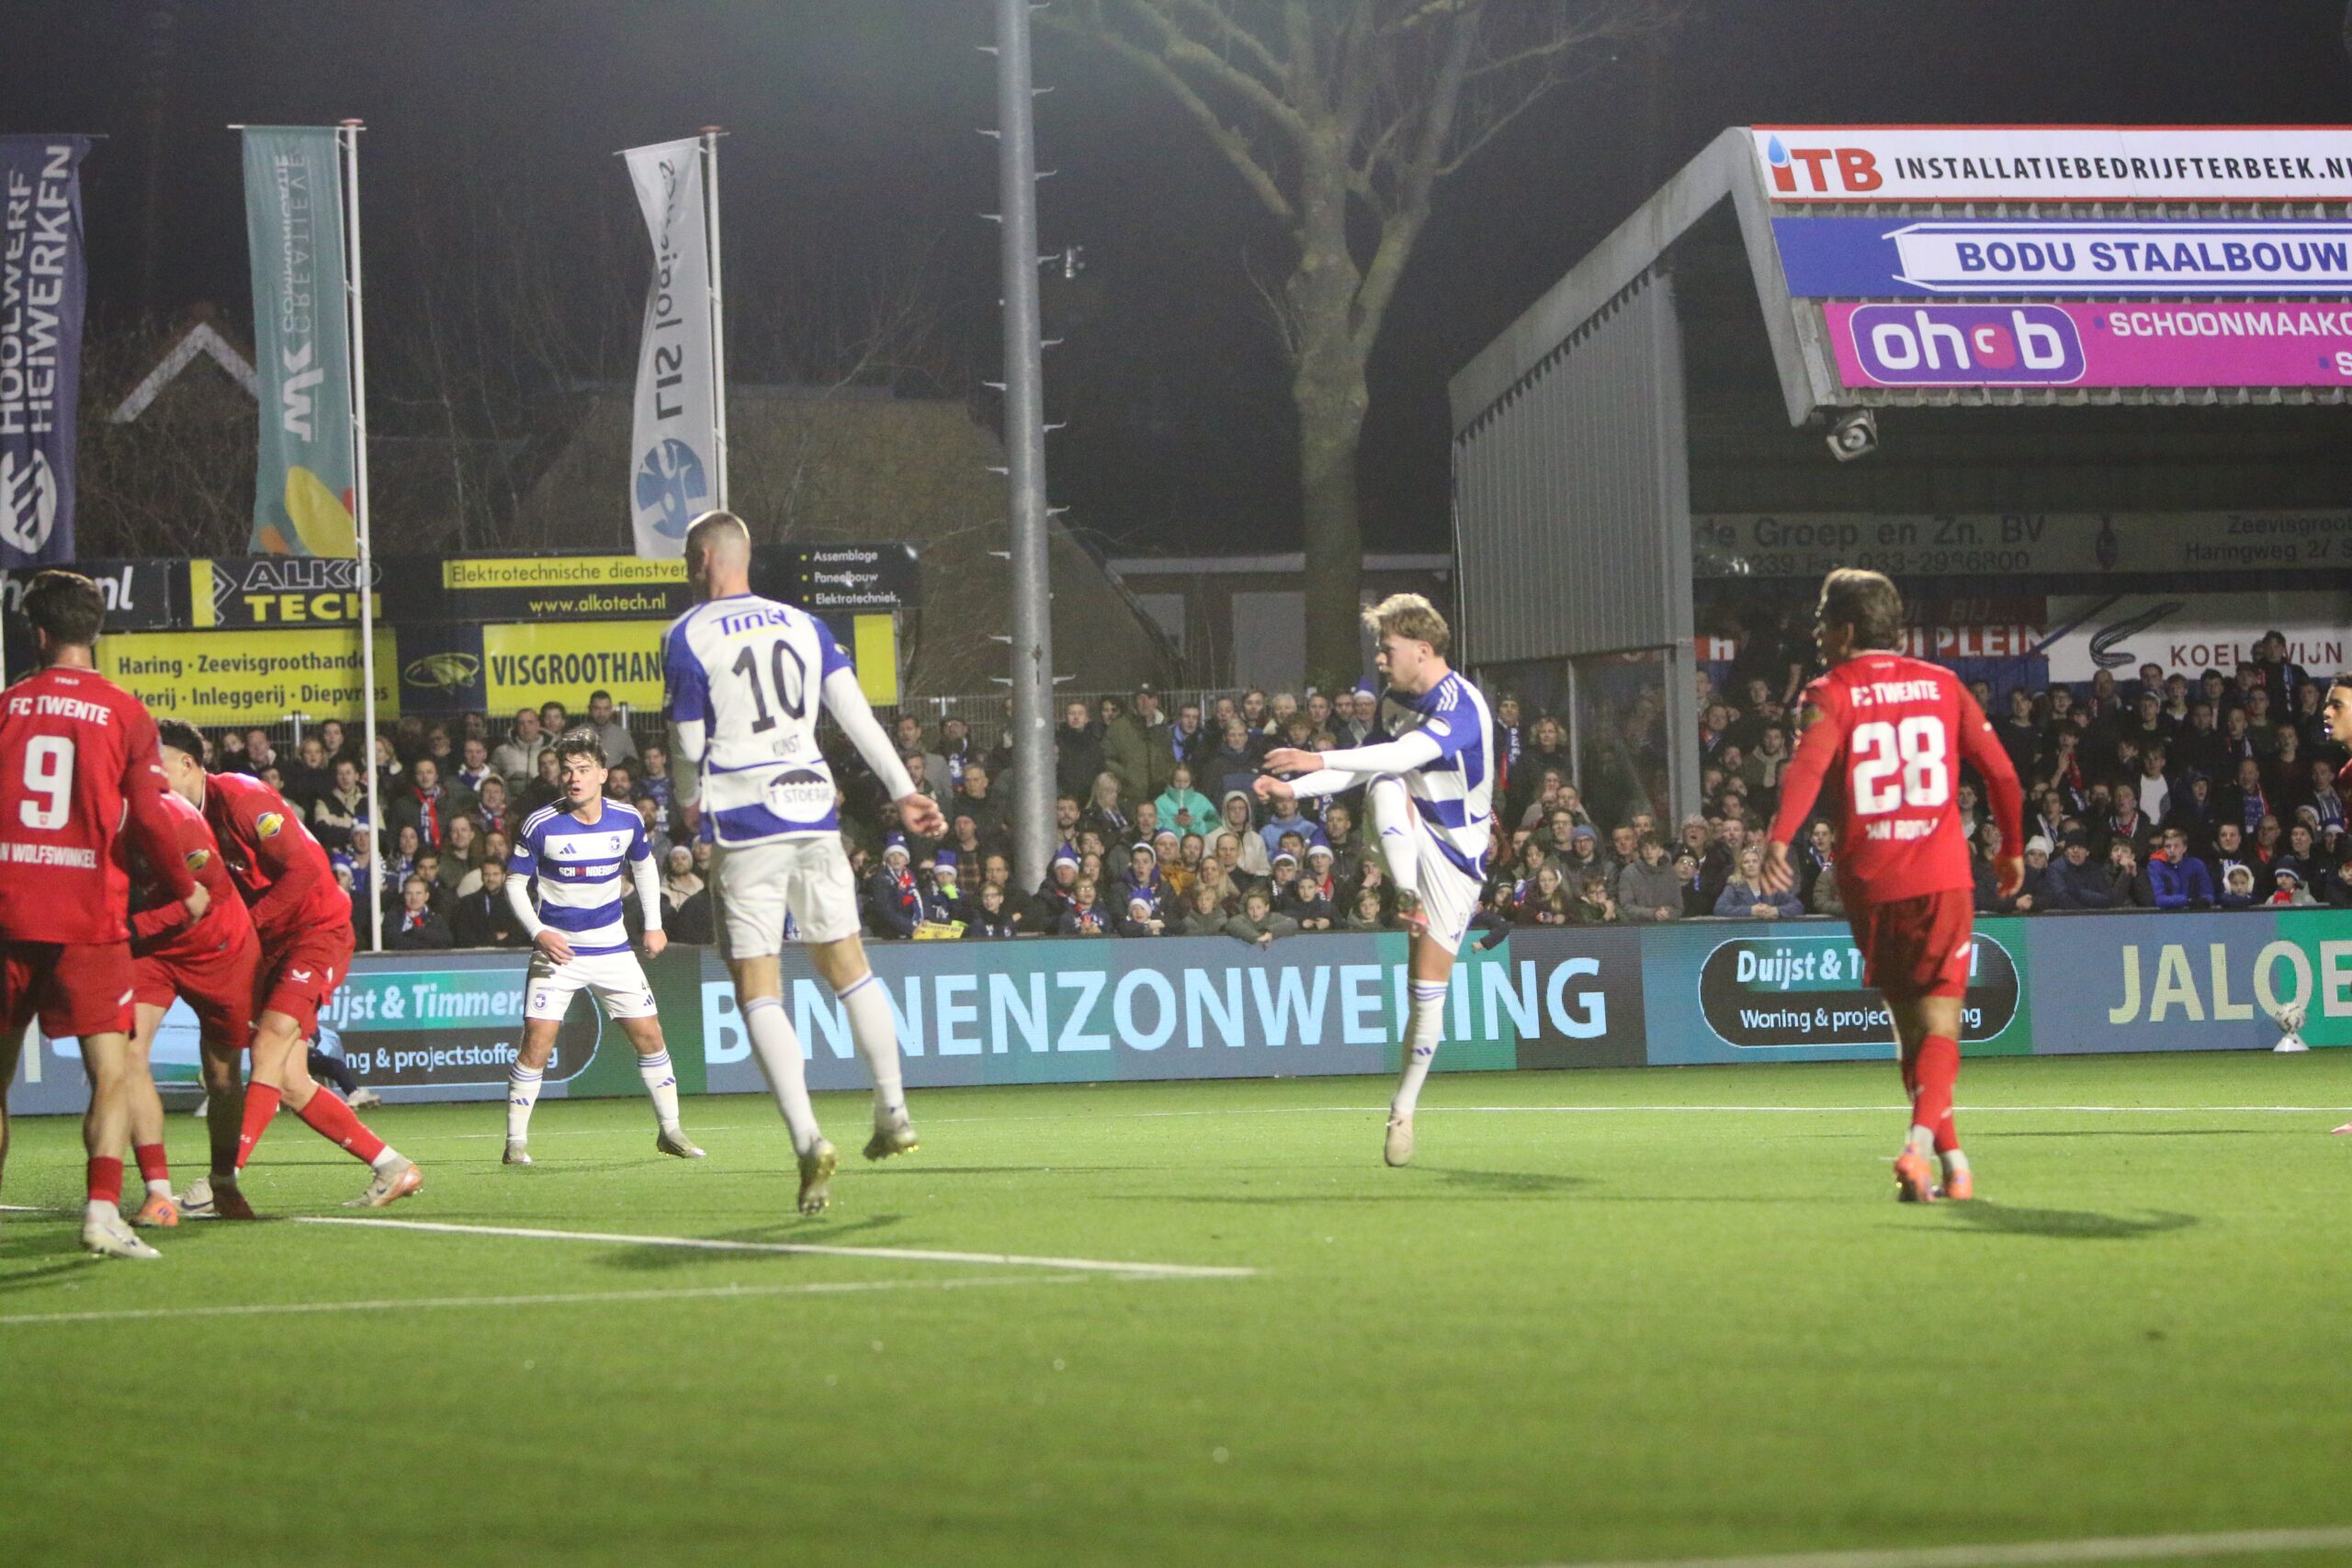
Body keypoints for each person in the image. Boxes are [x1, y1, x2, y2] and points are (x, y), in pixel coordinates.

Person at [665, 511, 944, 1214]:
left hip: (746, 820)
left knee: (757, 985)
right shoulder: (803, 623)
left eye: (688, 559)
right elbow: (855, 714)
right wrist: (903, 789)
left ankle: (808, 1139)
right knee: (849, 965)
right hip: (814, 810)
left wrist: (689, 801)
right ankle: (893, 1110)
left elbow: (687, 741)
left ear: (704, 560)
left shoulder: (687, 634)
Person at [1761, 569, 2023, 1207]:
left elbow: (1807, 768)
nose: (1817, 633)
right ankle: (1916, 1148)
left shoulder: (1830, 692)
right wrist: (2012, 849)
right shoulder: (1944, 685)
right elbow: (2003, 777)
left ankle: (1953, 1164)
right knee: (1941, 1027)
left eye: (1823, 621)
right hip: (1940, 877)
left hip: (1870, 883)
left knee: (1911, 1030)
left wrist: (1779, 837)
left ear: (1846, 629)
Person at [0, 572, 207, 1258]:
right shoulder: (124, 712)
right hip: (89, 916)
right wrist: (184, 888)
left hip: (9, 914)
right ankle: (100, 1211)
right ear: (95, 633)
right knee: (111, 1072)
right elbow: (148, 814)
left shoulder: (7, 706)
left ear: (38, 634)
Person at [1257, 593, 1493, 1168]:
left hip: (1458, 858)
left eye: (1388, 650)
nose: (1381, 661)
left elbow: (1407, 751)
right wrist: (1295, 790)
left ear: (1423, 650)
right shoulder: (1394, 701)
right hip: (1409, 833)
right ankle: (1406, 892)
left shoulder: (1463, 705)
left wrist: (1316, 761)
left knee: (1426, 993)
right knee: (1385, 781)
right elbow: (1368, 764)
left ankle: (1404, 1108)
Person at [153, 722, 421, 1218]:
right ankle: (392, 1166)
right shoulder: (181, 821)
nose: (149, 772)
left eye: (157, 761)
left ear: (187, 763)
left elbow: (303, 872)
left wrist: (246, 927)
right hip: (273, 944)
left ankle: (222, 1181)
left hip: (316, 930)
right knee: (292, 1080)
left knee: (269, 1046)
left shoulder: (241, 796)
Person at [499, 730, 698, 1164]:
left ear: (603, 775)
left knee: (650, 1035)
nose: (574, 778)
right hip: (558, 951)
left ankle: (671, 1131)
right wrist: (538, 932)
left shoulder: (627, 819)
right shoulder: (540, 824)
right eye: (567, 770)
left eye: (583, 770)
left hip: (612, 950)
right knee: (537, 1042)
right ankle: (516, 1142)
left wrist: (654, 924)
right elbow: (514, 884)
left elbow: (645, 867)